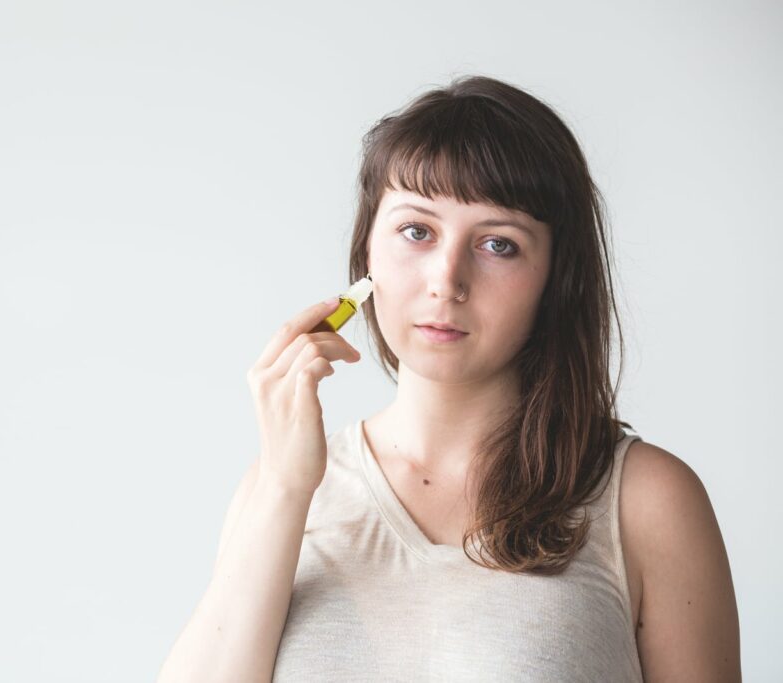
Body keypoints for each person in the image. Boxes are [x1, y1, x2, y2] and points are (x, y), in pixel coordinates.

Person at [157, 75, 741, 682]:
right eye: (417, 231)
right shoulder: (281, 488)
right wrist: (283, 485)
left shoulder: (646, 500)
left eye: (498, 244)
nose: (447, 279)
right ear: (367, 256)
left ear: (556, 279)